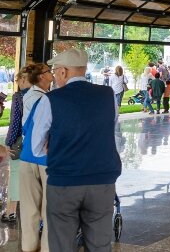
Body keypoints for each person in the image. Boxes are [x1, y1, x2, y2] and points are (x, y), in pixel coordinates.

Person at [30, 48, 121, 252]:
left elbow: (36, 147)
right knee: (100, 244)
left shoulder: (51, 99)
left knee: (61, 243)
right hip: (102, 181)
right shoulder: (108, 95)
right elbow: (112, 131)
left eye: (54, 72)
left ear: (63, 72)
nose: (53, 77)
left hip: (64, 182)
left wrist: (53, 146)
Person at [19, 62, 52, 252]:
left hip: (27, 155)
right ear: (41, 77)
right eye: (49, 71)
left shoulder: (29, 95)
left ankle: (28, 248)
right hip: (44, 158)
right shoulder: (45, 99)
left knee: (29, 209)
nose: (53, 74)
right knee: (49, 209)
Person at [3, 69, 30, 224]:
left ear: (22, 80)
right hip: (38, 144)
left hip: (19, 142)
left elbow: (15, 122)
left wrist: (8, 143)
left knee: (15, 175)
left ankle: (11, 211)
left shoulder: (18, 96)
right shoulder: (44, 95)